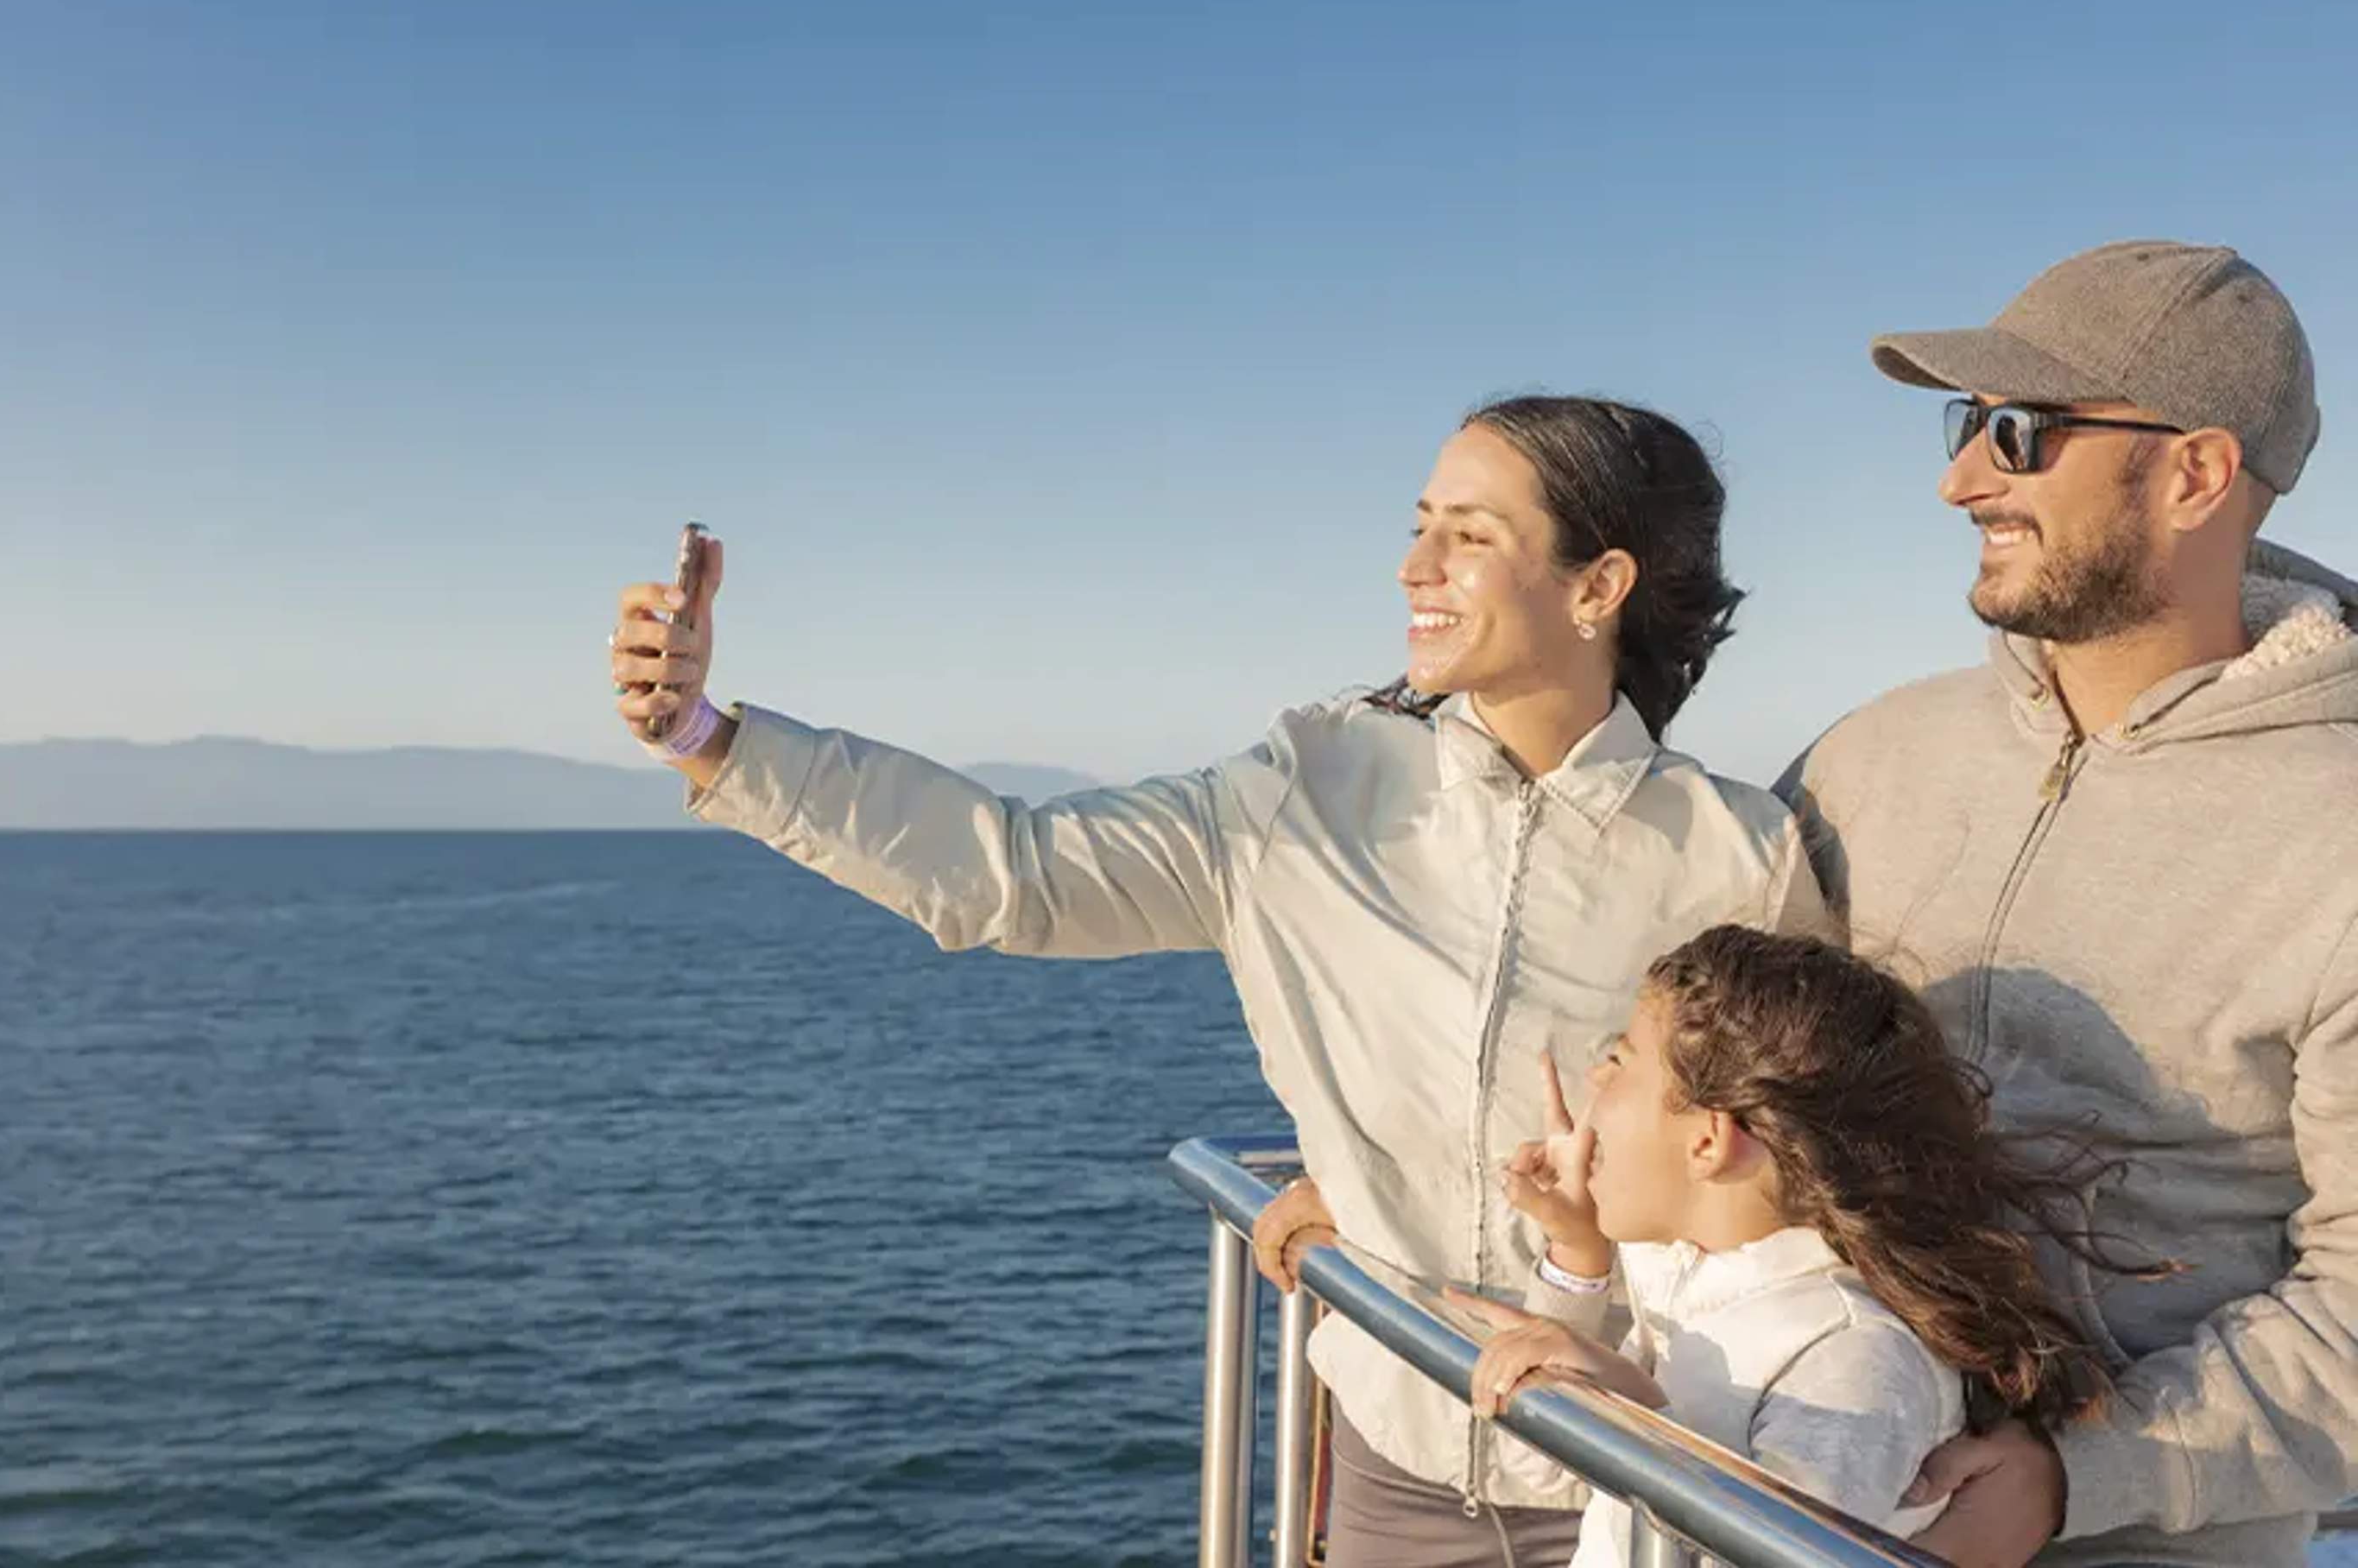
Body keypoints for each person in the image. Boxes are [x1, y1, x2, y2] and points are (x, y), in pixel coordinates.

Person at [606, 395, 1824, 1568]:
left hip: (1650, 1462)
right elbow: (1013, 873)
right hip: (1394, 1463)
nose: (1416, 566)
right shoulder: (1310, 786)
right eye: (1419, 524)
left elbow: (1811, 1180)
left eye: (1470, 535)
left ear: (1598, 586)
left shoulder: (1737, 854)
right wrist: (715, 740)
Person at [1779, 241, 2358, 1567]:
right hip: (1796, 1493)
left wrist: (2076, 1476)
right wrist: (1407, 1197)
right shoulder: (1864, 759)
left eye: (2020, 432)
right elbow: (1684, 1045)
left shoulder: (2341, 832)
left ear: (2196, 473)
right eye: (1967, 425)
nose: (1960, 476)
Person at [1462, 926, 2142, 1568]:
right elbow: (1535, 1467)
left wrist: (1634, 1413)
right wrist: (1578, 1258)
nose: (1594, 1084)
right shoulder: (1677, 1271)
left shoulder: (1854, 1360)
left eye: (1619, 1062)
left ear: (1708, 1141)